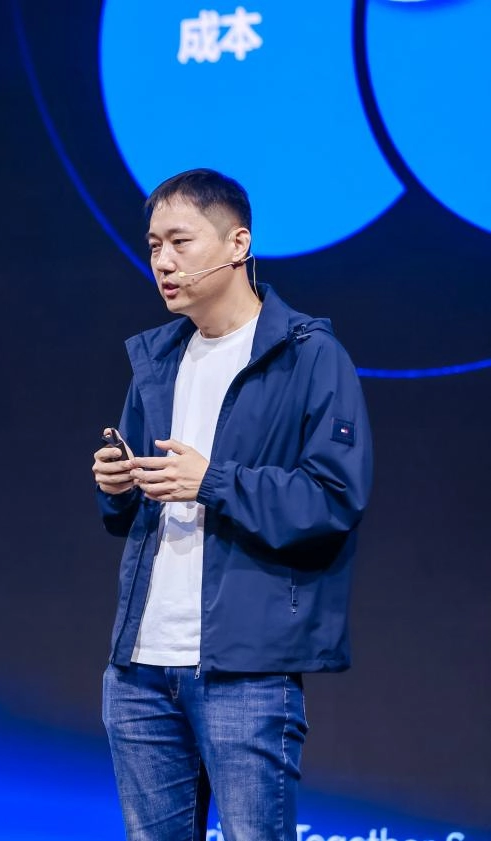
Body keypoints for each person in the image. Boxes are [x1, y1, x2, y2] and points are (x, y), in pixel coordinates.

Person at [90, 168, 373, 841]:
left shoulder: (309, 355)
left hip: (245, 668)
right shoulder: (158, 359)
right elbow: (139, 511)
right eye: (152, 245)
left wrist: (212, 481)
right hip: (139, 667)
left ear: (237, 243)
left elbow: (334, 497)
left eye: (179, 241)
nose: (161, 261)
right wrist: (118, 487)